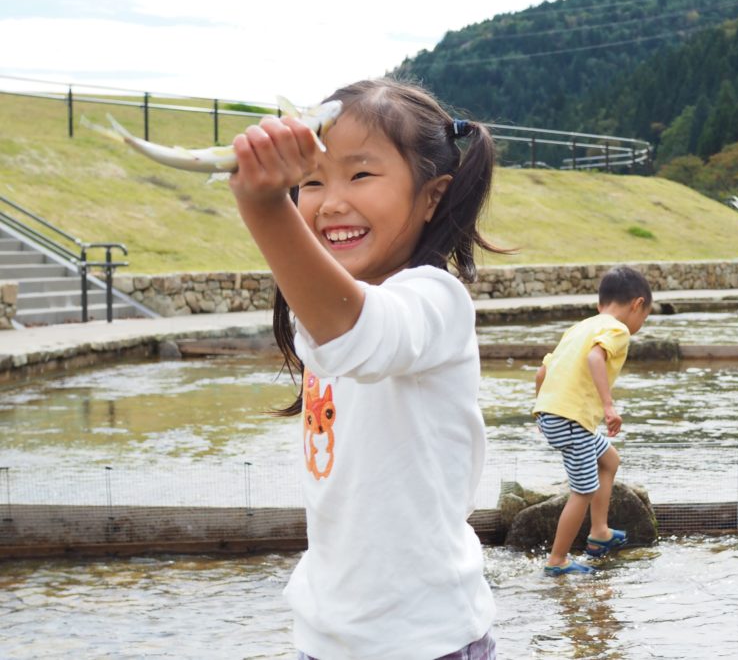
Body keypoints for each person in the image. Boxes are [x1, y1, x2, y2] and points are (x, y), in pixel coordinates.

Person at [229, 79, 501, 660]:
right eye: (311, 181)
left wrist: (264, 206)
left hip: (425, 640)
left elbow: (360, 336)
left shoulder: (434, 299)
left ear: (432, 195)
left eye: (360, 175)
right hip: (328, 635)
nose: (329, 202)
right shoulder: (327, 310)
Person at [531, 266, 652, 576]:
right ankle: (556, 561)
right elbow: (595, 358)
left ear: (601, 303)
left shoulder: (580, 328)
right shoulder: (617, 329)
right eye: (644, 317)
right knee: (582, 490)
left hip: (554, 415)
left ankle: (600, 531)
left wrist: (543, 409)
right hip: (572, 420)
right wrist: (609, 407)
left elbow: (542, 372)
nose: (640, 325)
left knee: (609, 460)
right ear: (637, 305)